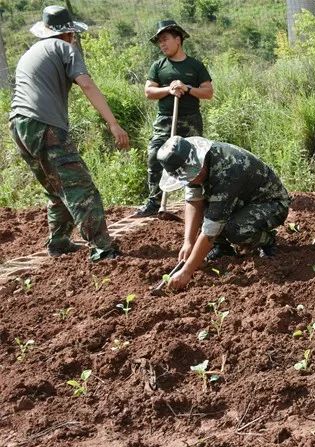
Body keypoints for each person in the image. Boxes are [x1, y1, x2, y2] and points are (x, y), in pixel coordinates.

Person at [8, 5, 129, 261]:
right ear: (69, 33)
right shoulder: (65, 48)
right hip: (44, 125)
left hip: (19, 126)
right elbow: (86, 84)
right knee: (80, 187)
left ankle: (59, 243)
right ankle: (103, 248)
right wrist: (113, 123)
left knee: (56, 187)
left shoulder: (30, 53)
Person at [158, 136, 290, 291]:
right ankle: (222, 248)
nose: (192, 179)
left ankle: (267, 241)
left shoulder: (227, 171)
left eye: (193, 173)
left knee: (235, 229)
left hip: (271, 203)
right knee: (208, 211)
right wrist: (188, 242)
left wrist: (187, 271)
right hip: (240, 201)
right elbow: (194, 202)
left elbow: (211, 229)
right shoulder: (189, 160)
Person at [132, 20, 214, 217]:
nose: (162, 44)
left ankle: (197, 200)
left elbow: (208, 92)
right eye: (160, 41)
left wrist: (187, 88)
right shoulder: (158, 66)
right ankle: (154, 202)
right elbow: (149, 91)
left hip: (190, 120)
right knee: (155, 156)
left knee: (195, 160)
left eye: (165, 39)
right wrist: (168, 89)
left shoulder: (195, 66)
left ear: (178, 39)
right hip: (165, 120)